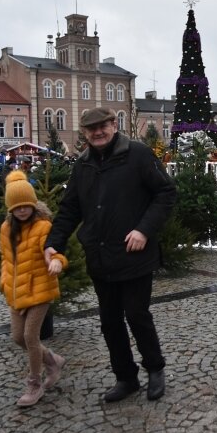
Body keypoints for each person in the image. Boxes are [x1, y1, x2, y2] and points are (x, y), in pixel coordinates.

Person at [45, 107, 176, 403]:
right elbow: (69, 210)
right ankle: (126, 377)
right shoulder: (83, 165)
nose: (97, 133)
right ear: (85, 134)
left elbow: (166, 193)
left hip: (134, 254)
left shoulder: (139, 155)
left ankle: (155, 369)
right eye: (91, 130)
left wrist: (144, 229)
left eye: (102, 126)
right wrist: (54, 243)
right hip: (100, 257)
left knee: (137, 315)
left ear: (113, 125)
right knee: (109, 321)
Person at [0, 171, 68, 407]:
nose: (22, 210)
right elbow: (6, 260)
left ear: (33, 203)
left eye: (26, 205)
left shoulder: (43, 226)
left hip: (40, 288)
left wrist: (57, 261)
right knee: (17, 337)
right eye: (17, 206)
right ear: (11, 208)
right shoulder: (5, 229)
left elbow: (53, 248)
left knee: (30, 336)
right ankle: (52, 360)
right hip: (16, 292)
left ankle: (34, 383)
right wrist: (4, 281)